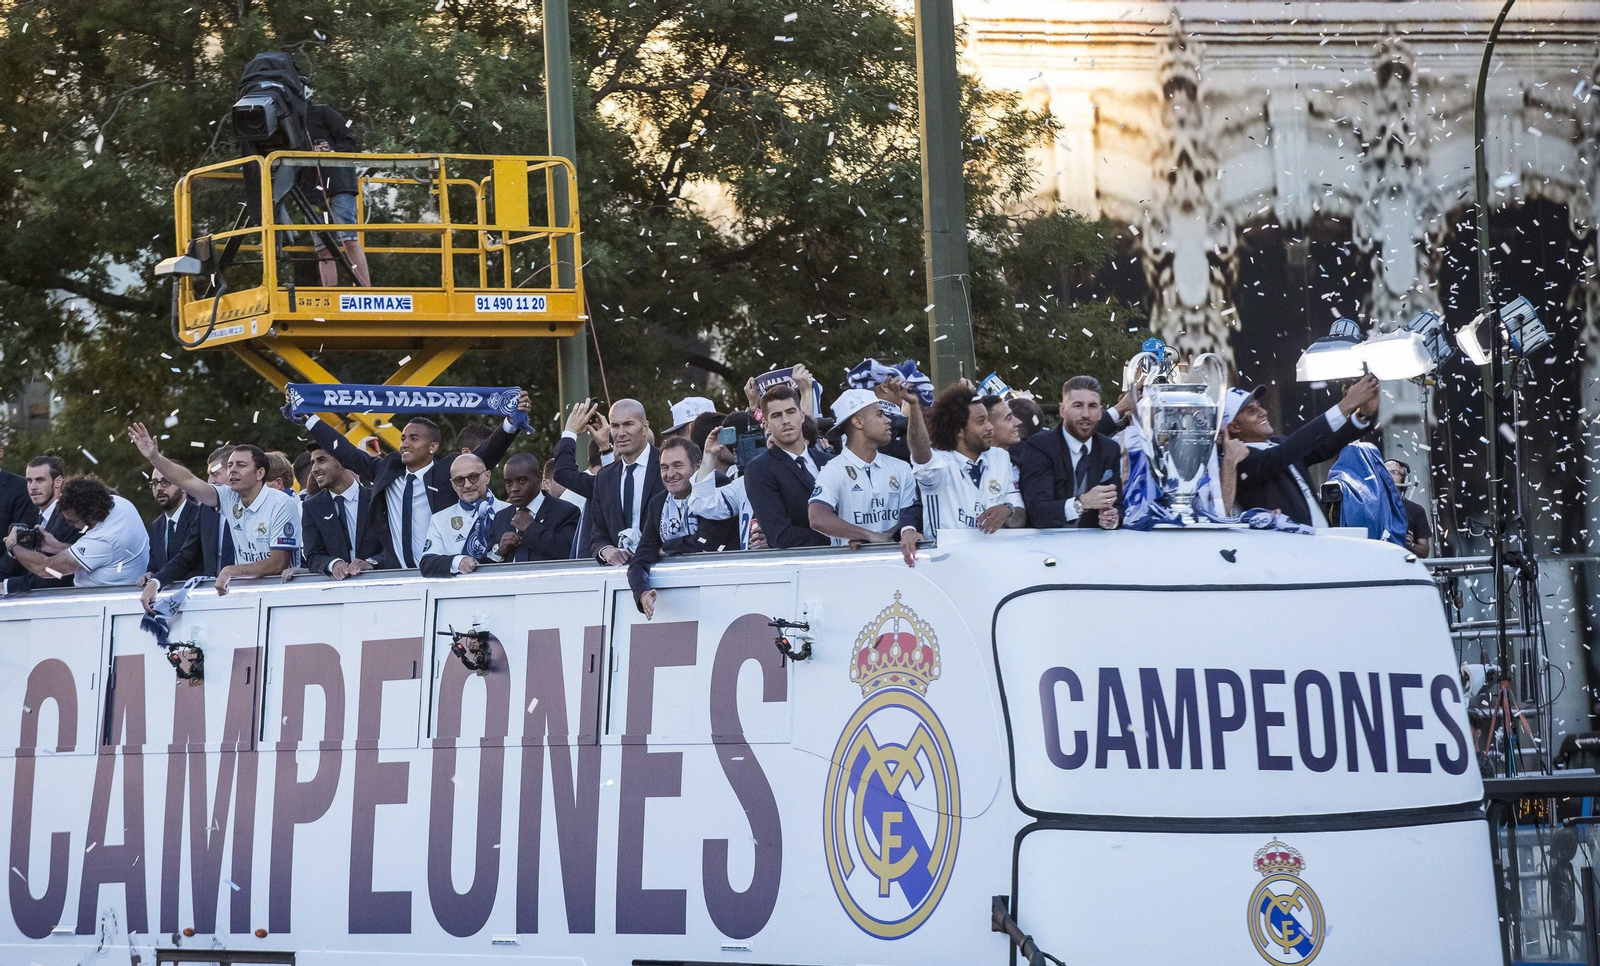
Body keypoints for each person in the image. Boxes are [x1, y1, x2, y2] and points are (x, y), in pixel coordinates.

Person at [296, 389, 527, 569]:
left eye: (414, 439)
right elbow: (346, 452)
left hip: (445, 571)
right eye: (404, 437)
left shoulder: (448, 471)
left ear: (433, 447)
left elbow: (486, 454)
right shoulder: (388, 469)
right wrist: (309, 418)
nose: (405, 443)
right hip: (398, 576)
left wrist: (510, 424)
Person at [127, 426, 300, 597]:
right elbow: (187, 480)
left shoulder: (282, 504)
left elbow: (278, 564)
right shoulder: (229, 496)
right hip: (246, 591)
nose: (233, 470)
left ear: (260, 473)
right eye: (230, 465)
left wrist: (230, 571)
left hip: (284, 593)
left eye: (241, 465)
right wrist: (154, 457)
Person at [1228, 374, 1379, 528]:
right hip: (1289, 547)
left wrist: (1362, 416)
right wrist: (1347, 404)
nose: (1263, 412)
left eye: (1259, 405)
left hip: (1320, 541)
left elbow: (1323, 447)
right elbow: (1288, 451)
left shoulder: (1279, 443)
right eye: (1251, 411)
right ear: (1234, 427)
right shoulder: (1240, 460)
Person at [808, 388, 923, 566]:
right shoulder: (833, 469)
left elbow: (909, 513)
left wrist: (898, 533)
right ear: (858, 422)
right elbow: (817, 518)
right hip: (848, 570)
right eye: (879, 415)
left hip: (897, 567)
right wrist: (869, 535)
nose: (888, 420)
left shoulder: (901, 468)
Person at [629, 437, 738, 618]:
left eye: (678, 465)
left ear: (697, 467)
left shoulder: (717, 486)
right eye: (664, 467)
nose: (670, 474)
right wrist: (642, 593)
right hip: (682, 607)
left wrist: (667, 547)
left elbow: (706, 543)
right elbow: (640, 560)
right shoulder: (658, 503)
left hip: (724, 595)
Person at [553, 399, 661, 565]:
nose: (621, 432)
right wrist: (604, 550)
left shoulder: (666, 466)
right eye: (615, 426)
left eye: (628, 424)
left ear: (645, 428)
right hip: (616, 577)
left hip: (665, 571)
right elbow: (598, 536)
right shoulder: (605, 478)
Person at [911, 385, 1025, 534]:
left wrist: (1008, 510)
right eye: (981, 422)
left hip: (993, 554)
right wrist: (914, 407)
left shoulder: (1001, 458)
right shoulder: (938, 464)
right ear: (958, 430)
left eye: (988, 420)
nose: (990, 427)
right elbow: (920, 453)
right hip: (945, 554)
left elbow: (1020, 515)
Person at [2, 475, 147, 591]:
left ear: (89, 513)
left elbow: (46, 569)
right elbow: (101, 557)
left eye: (72, 522)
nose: (73, 527)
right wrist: (56, 547)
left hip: (100, 606)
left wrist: (14, 546)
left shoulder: (103, 539)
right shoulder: (120, 503)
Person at [1016, 375, 1123, 529]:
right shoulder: (1040, 446)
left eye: (1092, 406)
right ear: (1062, 410)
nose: (1086, 414)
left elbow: (1118, 505)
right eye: (1078, 405)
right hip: (1046, 545)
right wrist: (1082, 503)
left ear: (1100, 412)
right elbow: (1038, 512)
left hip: (1096, 546)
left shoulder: (1109, 448)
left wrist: (1112, 519)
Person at [746, 385, 835, 549]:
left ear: (801, 416)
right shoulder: (759, 469)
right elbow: (781, 535)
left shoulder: (831, 462)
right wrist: (839, 539)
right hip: (800, 567)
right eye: (777, 415)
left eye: (791, 412)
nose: (785, 420)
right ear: (766, 424)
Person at [142, 445, 234, 600]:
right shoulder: (207, 510)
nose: (210, 481)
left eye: (215, 474)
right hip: (211, 596)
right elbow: (186, 555)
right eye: (208, 475)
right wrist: (156, 581)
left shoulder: (259, 507)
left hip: (249, 591)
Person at [301, 102, 372, 287]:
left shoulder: (322, 112)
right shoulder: (288, 120)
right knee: (324, 248)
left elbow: (349, 139)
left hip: (339, 183)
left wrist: (331, 151)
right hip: (310, 189)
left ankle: (366, 293)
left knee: (348, 239)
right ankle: (329, 296)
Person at [300, 440, 384, 579]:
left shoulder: (379, 499)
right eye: (313, 462)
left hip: (381, 586)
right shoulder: (312, 507)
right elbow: (313, 555)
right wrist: (333, 563)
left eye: (321, 460)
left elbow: (394, 545)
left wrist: (371, 563)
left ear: (343, 461)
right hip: (335, 591)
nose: (314, 469)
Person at [419, 454, 509, 577]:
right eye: (459, 480)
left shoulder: (510, 511)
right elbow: (427, 565)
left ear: (487, 477)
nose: (467, 485)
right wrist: (457, 562)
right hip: (461, 593)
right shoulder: (440, 520)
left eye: (473, 477)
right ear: (453, 484)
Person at [2, 456, 77, 593]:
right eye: (29, 481)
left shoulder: (68, 518)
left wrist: (5, 586)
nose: (33, 487)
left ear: (58, 482)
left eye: (40, 480)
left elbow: (56, 575)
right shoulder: (39, 517)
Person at [487, 453, 580, 563]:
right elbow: (485, 564)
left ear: (539, 478)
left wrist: (530, 528)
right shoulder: (501, 517)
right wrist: (499, 550)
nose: (514, 489)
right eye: (509, 483)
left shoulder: (566, 512)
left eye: (522, 481)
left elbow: (569, 552)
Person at [142, 466, 200, 581]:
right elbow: (155, 567)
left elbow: (187, 559)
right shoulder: (155, 526)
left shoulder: (199, 516)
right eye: (154, 483)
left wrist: (158, 580)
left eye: (166, 482)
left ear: (184, 486)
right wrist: (150, 574)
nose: (158, 488)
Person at [1385, 458, 1432, 557]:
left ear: (1404, 478)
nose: (1388, 475)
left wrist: (1411, 545)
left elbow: (1425, 551)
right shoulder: (1372, 509)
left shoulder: (1416, 510)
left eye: (1394, 472)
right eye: (1385, 471)